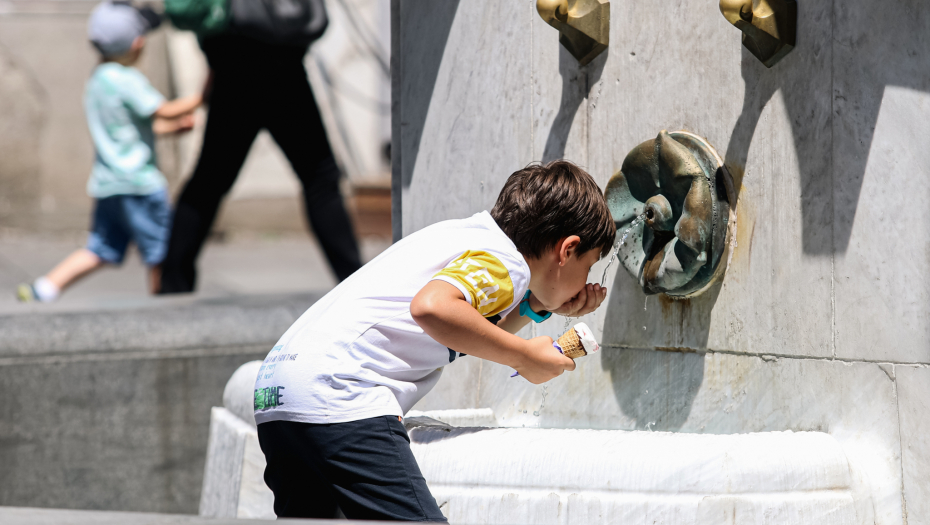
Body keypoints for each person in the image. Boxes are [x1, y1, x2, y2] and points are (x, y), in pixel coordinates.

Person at [253, 160, 617, 521]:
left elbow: (468, 331)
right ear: (567, 250)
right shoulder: (507, 264)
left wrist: (537, 306)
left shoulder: (473, 239)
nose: (586, 280)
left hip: (281, 389)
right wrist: (524, 357)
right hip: (340, 393)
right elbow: (431, 308)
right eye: (588, 266)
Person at [158, 1, 362, 294]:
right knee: (320, 178)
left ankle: (173, 283)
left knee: (209, 180)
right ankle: (356, 283)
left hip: (233, 59)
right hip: (281, 63)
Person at [16, 1, 201, 303]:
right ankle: (166, 308)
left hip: (108, 185)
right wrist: (202, 96)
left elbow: (130, 129)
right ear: (138, 44)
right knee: (162, 253)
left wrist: (173, 129)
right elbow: (164, 110)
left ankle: (45, 288)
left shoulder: (98, 80)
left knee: (99, 248)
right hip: (140, 185)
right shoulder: (128, 81)